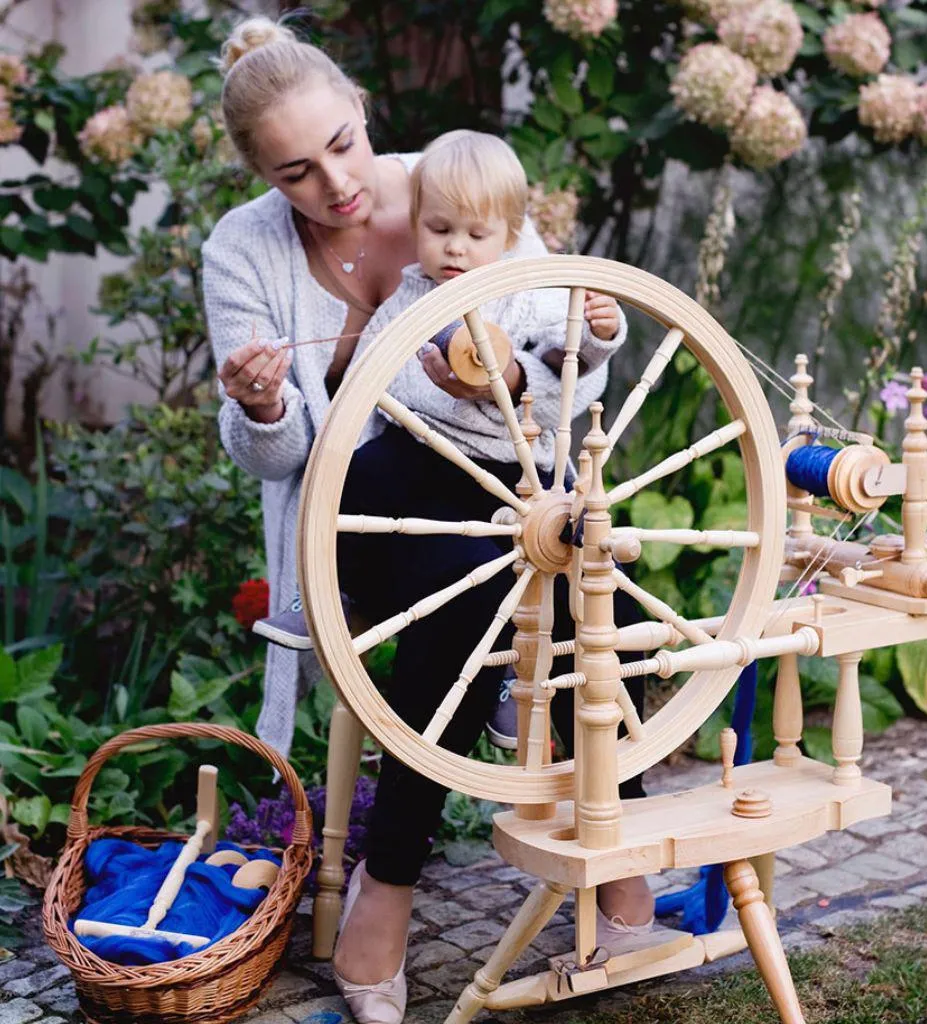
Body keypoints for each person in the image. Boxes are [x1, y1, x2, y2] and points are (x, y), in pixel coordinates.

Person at [201, 18, 654, 1024]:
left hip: (496, 492)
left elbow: (554, 371)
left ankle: (569, 838)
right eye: (295, 173)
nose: (335, 185)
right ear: (263, 179)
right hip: (353, 508)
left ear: (362, 112)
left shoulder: (460, 182)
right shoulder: (240, 249)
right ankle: (400, 880)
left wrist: (573, 346)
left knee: (579, 573)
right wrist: (264, 405)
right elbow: (272, 457)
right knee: (493, 578)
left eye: (342, 145)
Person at [253, 128, 626, 654]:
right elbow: (365, 390)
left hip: (512, 474)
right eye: (439, 228)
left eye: (477, 235)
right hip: (425, 463)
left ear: (510, 236)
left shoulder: (527, 296)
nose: (455, 246)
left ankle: (507, 687)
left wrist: (598, 332)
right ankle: (332, 596)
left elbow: (569, 364)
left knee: (514, 574)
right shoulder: (405, 299)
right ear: (415, 224)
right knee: (359, 472)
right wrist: (340, 453)